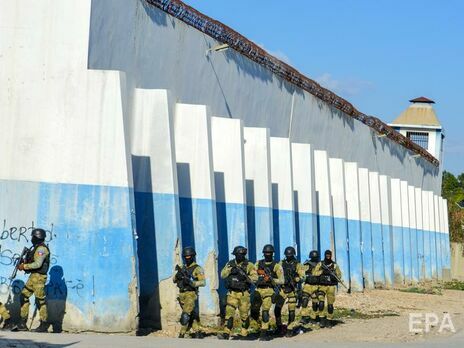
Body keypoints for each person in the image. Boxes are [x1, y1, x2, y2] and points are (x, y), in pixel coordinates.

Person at [14, 228, 50, 332]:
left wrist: (24, 266)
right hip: (33, 277)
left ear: (37, 237)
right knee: (24, 296)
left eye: (33, 237)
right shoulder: (36, 248)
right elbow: (32, 261)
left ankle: (44, 324)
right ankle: (22, 322)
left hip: (39, 277)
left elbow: (37, 264)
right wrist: (23, 261)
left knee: (40, 300)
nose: (31, 239)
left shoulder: (41, 249)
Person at [218, 246, 258, 340]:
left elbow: (255, 278)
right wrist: (230, 270)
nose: (241, 256)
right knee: (229, 313)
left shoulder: (249, 265)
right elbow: (222, 275)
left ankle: (244, 333)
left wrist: (246, 278)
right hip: (232, 293)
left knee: (244, 315)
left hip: (243, 294)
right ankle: (226, 333)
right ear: (235, 255)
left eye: (242, 254)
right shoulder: (230, 263)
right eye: (239, 254)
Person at [250, 244, 284, 341]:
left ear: (272, 254)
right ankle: (258, 327)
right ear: (263, 254)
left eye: (269, 253)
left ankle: (264, 332)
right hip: (258, 290)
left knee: (265, 311)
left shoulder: (277, 266)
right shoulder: (258, 264)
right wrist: (259, 278)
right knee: (254, 311)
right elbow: (252, 276)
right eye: (266, 253)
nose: (267, 254)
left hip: (269, 290)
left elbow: (282, 280)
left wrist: (271, 279)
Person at [173, 246, 206, 338]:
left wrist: (192, 282)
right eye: (185, 257)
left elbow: (203, 282)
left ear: (193, 256)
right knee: (191, 314)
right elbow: (174, 280)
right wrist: (177, 276)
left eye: (189, 257)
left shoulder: (197, 268)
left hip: (191, 294)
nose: (187, 259)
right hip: (182, 294)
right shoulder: (182, 268)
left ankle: (182, 333)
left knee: (186, 314)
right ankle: (197, 332)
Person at [274, 246, 304, 337]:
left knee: (291, 311)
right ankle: (279, 327)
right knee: (277, 309)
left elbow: (303, 277)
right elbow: (275, 272)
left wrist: (296, 279)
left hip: (292, 290)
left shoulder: (298, 264)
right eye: (287, 255)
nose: (288, 257)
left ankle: (290, 328)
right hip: (282, 289)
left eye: (290, 255)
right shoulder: (281, 263)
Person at [315, 250, 342, 328]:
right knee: (321, 303)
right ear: (324, 255)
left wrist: (333, 276)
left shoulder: (334, 265)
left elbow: (339, 276)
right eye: (327, 255)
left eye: (329, 255)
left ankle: (329, 320)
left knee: (330, 305)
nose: (328, 256)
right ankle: (322, 320)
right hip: (322, 286)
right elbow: (315, 273)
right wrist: (322, 271)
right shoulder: (320, 264)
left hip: (331, 287)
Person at [300, 250, 323, 326]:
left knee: (315, 303)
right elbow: (302, 274)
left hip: (316, 286)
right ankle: (304, 317)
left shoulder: (321, 265)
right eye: (313, 258)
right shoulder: (306, 264)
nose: (314, 259)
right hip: (308, 285)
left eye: (315, 257)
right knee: (304, 301)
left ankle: (314, 317)